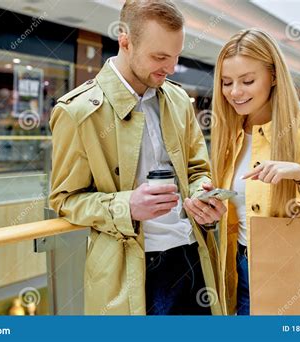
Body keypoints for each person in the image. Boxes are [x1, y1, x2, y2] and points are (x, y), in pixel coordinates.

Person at [49, 0, 226, 315]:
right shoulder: (77, 112)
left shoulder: (179, 101)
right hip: (133, 271)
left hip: (193, 257)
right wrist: (127, 206)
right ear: (125, 40)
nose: (170, 68)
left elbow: (198, 169)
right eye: (159, 57)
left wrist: (203, 194)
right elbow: (65, 199)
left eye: (175, 57)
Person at [210, 29, 300, 315]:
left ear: (274, 76)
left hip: (298, 274)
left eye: (248, 81)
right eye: (226, 82)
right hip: (238, 271)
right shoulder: (228, 135)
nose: (235, 92)